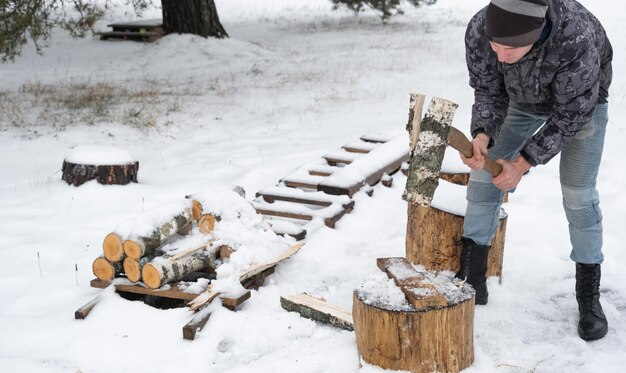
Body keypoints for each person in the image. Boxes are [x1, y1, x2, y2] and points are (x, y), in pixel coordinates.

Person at [456, 0, 612, 341]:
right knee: (484, 178)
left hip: (580, 108)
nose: (500, 54)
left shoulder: (575, 37)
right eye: (495, 44)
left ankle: (588, 297)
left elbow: (570, 117)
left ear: (537, 33)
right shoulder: (481, 27)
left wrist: (522, 164)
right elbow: (488, 88)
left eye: (510, 48)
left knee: (578, 194)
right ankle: (472, 279)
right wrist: (483, 133)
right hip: (519, 103)